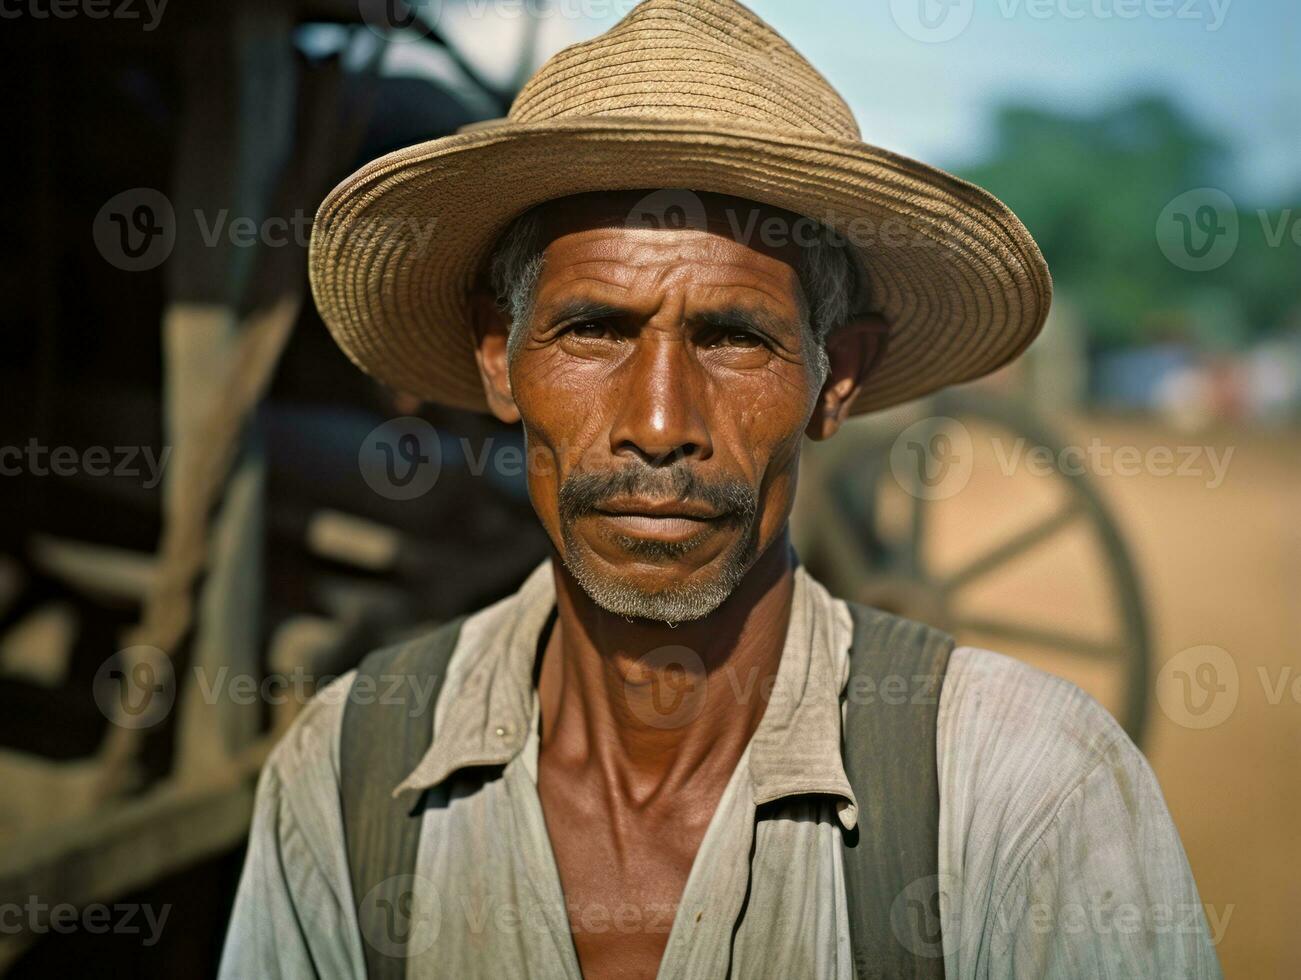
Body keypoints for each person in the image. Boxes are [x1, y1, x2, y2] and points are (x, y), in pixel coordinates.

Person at [221, 1, 1221, 976]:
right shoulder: (342, 780)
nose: (659, 425)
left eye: (735, 338)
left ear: (836, 378)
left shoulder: (1026, 795)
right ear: (499, 358)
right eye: (594, 329)